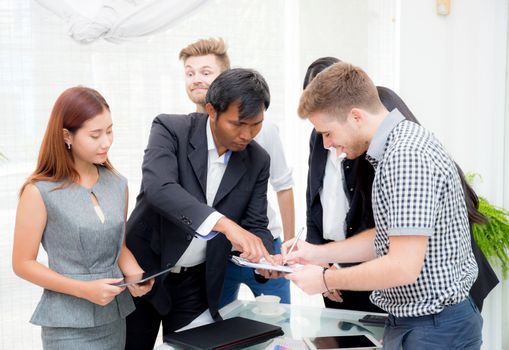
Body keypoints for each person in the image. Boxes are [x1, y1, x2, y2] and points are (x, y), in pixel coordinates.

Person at [285, 62, 483, 349]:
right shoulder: (394, 149)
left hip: (434, 329)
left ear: (355, 116)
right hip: (419, 324)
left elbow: (402, 266)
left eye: (327, 132)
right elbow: (387, 238)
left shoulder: (406, 156)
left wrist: (326, 279)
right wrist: (316, 253)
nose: (326, 144)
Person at [125, 68, 276, 349]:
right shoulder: (171, 129)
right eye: (238, 123)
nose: (247, 134)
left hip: (196, 283)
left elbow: (256, 224)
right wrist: (224, 224)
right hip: (142, 272)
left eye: (256, 125)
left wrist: (264, 258)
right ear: (211, 110)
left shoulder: (258, 160)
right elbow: (159, 188)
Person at [12, 86, 152, 350]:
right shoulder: (39, 191)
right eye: (95, 135)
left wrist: (136, 276)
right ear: (67, 136)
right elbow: (23, 263)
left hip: (114, 317)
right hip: (68, 326)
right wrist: (83, 289)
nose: (106, 142)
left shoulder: (117, 183)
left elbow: (117, 246)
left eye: (109, 131)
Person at [178, 37, 294, 307]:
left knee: (277, 319)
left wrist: (286, 246)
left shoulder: (262, 130)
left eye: (206, 72)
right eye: (190, 73)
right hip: (216, 250)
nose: (197, 79)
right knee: (220, 323)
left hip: (265, 243)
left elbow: (283, 186)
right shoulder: (181, 135)